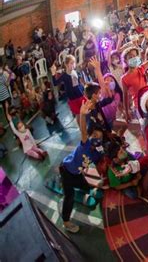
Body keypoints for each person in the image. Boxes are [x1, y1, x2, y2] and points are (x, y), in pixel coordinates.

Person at [59, 100, 105, 233]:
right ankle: (66, 222)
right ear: (90, 136)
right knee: (70, 197)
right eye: (94, 135)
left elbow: (98, 165)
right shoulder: (85, 143)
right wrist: (82, 114)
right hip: (66, 171)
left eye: (99, 137)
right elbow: (83, 131)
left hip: (77, 173)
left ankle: (78, 181)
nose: (96, 138)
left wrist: (102, 179)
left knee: (85, 187)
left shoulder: (96, 152)